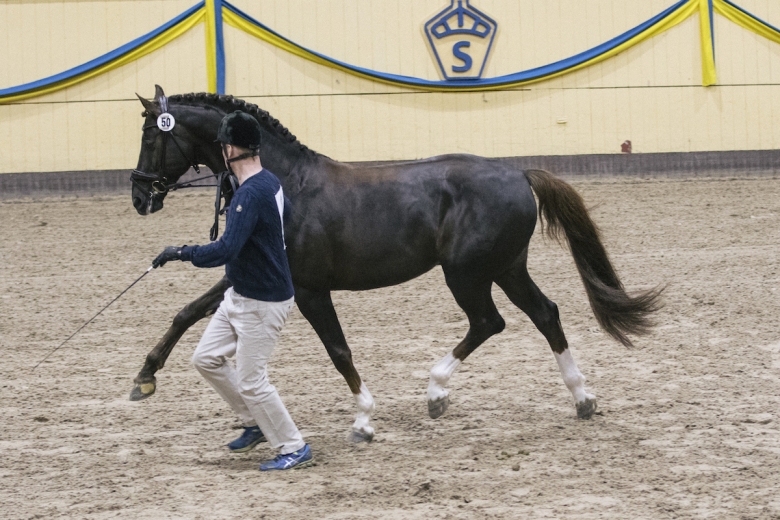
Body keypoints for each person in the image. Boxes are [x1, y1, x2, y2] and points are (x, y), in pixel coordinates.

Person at [152, 111, 312, 471]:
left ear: (229, 149)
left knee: (253, 382)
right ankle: (254, 421)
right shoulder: (268, 181)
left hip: (263, 302)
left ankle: (294, 447)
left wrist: (180, 253)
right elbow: (273, 226)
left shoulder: (250, 194)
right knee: (206, 358)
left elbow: (224, 250)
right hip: (239, 295)